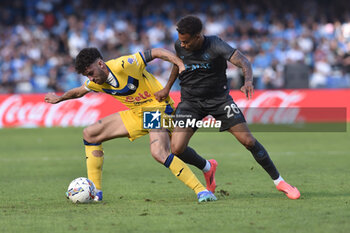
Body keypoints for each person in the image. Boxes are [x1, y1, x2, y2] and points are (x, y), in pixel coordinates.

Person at [155, 15, 300, 200]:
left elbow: (244, 61)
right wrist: (167, 88)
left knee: (248, 141)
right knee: (177, 149)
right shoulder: (179, 45)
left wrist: (248, 81)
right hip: (191, 102)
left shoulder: (216, 44)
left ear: (198, 36)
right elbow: (177, 64)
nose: (182, 45)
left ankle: (280, 182)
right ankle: (208, 167)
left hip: (219, 101)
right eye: (180, 41)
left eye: (186, 42)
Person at [45, 47, 217, 202]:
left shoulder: (124, 65)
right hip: (137, 113)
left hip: (157, 107)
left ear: (100, 64)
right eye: (87, 76)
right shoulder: (96, 81)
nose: (90, 79)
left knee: (160, 152)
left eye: (91, 73)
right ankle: (96, 191)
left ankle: (201, 191)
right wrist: (60, 98)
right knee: (90, 134)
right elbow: (79, 91)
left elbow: (156, 52)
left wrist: (179, 63)